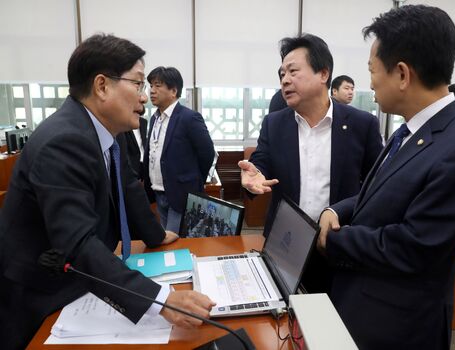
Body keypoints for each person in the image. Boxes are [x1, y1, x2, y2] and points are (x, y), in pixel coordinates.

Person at [0, 34, 215, 350]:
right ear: (102, 86)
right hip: (40, 294)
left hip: (78, 281)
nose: (144, 97)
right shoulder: (64, 141)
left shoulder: (109, 132)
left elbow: (127, 186)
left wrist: (155, 235)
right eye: (139, 84)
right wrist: (163, 301)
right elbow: (77, 243)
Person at [316, 5, 455, 349]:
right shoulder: (410, 130)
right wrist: (336, 211)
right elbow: (380, 194)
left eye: (372, 70)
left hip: (399, 326)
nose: (369, 82)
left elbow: (414, 247)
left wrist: (332, 240)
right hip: (361, 303)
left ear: (402, 74)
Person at [238, 34, 383, 293]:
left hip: (337, 241)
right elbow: (261, 161)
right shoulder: (275, 123)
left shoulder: (362, 125)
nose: (284, 80)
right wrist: (254, 175)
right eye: (282, 73)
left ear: (323, 74)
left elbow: (377, 186)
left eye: (293, 71)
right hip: (286, 242)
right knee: (285, 319)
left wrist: (340, 210)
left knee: (334, 320)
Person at [143, 67, 215, 233]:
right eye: (150, 86)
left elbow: (207, 153)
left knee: (173, 240)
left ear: (173, 91)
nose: (151, 90)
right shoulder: (154, 119)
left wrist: (194, 180)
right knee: (166, 237)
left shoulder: (189, 118)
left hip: (181, 192)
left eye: (157, 85)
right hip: (159, 191)